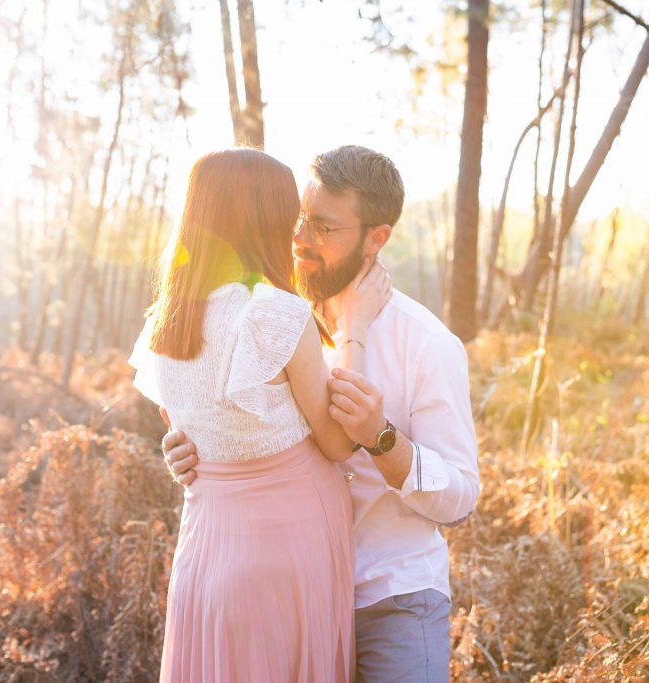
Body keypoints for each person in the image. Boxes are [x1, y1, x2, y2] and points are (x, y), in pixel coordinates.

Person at [162, 145, 480, 682]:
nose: (301, 240)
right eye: (300, 220)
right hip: (288, 594)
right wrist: (187, 446)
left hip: (389, 595)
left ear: (376, 238)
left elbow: (460, 496)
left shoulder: (426, 343)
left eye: (325, 228)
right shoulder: (267, 318)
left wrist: (383, 440)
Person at [128, 148, 392, 682]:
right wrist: (356, 327)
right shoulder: (274, 314)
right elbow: (341, 442)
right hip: (288, 548)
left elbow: (186, 429)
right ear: (266, 218)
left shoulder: (163, 324)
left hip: (203, 552)